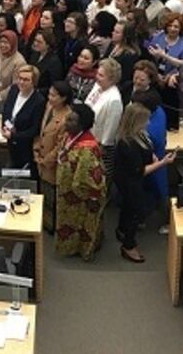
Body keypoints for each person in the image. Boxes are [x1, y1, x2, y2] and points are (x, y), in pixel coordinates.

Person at [114, 103, 175, 263]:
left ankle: (121, 229)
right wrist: (162, 163)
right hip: (129, 180)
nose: (148, 123)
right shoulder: (127, 143)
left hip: (130, 178)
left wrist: (152, 156)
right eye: (145, 120)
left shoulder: (138, 134)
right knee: (136, 211)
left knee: (127, 206)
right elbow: (140, 171)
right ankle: (128, 245)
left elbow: (146, 149)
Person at [55, 103, 106, 261]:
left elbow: (91, 177)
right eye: (67, 118)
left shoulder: (87, 148)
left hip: (82, 196)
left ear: (82, 125)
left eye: (72, 120)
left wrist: (92, 197)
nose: (66, 122)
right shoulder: (69, 135)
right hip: (67, 191)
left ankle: (81, 250)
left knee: (80, 224)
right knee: (67, 221)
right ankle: (69, 247)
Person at [34, 81, 73, 233]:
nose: (49, 98)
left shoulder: (67, 117)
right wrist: (36, 150)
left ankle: (52, 227)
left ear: (63, 98)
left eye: (53, 95)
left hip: (52, 163)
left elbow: (61, 146)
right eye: (49, 94)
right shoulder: (49, 108)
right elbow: (41, 130)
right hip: (41, 157)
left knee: (53, 197)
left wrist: (46, 160)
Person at [85, 58, 124, 186]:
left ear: (112, 79)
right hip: (86, 138)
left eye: (101, 75)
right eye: (97, 73)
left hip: (100, 147)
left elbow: (110, 130)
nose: (97, 77)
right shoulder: (98, 86)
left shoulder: (114, 100)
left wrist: (100, 149)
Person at [2, 64, 46, 172]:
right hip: (9, 142)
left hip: (25, 148)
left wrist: (13, 136)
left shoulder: (39, 101)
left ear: (33, 82)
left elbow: (34, 130)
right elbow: (6, 110)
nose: (21, 82)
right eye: (20, 78)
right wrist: (4, 127)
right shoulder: (14, 90)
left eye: (26, 80)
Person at [0, 30, 26, 102]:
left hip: (9, 98)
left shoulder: (19, 62)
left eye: (6, 42)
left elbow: (16, 84)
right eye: (1, 41)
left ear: (13, 43)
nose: (2, 45)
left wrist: (0, 95)